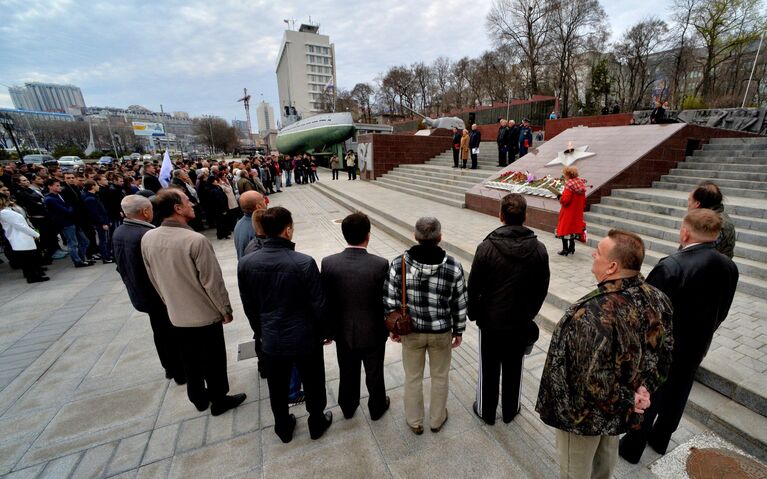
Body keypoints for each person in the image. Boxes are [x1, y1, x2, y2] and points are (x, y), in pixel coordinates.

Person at [536, 230, 674, 479]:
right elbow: (664, 353)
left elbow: (590, 380)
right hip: (617, 414)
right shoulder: (658, 299)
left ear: (612, 266)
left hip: (581, 418)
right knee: (605, 465)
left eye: (598, 251)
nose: (592, 254)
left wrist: (631, 398)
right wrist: (643, 391)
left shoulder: (592, 312)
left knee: (575, 471)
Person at [619, 209, 738, 464]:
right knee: (679, 392)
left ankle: (633, 446)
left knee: (651, 391)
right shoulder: (729, 267)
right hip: (697, 345)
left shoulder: (672, 265)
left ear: (685, 232)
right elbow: (723, 310)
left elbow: (646, 311)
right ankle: (660, 440)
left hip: (665, 347)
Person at [141, 189, 246, 416]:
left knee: (189, 359)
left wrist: (169, 302)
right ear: (177, 208)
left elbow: (154, 279)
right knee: (214, 361)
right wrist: (225, 310)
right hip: (204, 314)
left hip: (176, 314)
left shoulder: (148, 238)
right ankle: (219, 399)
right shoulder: (195, 240)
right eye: (188, 202)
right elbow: (212, 282)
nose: (193, 205)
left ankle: (198, 397)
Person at [238, 207, 333, 443]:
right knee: (313, 382)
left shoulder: (246, 263)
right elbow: (319, 304)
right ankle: (316, 421)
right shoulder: (303, 263)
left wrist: (260, 331)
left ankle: (283, 427)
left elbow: (249, 305)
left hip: (271, 337)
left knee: (276, 386)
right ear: (288, 230)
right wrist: (326, 331)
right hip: (305, 337)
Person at [468, 194, 549, 425]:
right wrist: (529, 313)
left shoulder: (486, 248)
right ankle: (510, 410)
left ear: (500, 215)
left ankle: (487, 411)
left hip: (491, 322)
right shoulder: (539, 249)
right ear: (525, 216)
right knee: (515, 366)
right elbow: (541, 289)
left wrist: (475, 314)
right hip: (520, 321)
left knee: (489, 367)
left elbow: (473, 287)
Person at [384, 217, 467, 435]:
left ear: (415, 236)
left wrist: (394, 330)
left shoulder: (398, 263)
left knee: (413, 377)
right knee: (440, 376)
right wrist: (458, 330)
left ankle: (415, 421)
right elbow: (459, 303)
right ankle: (437, 420)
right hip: (441, 332)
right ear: (440, 237)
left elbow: (390, 301)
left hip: (411, 332)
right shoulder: (453, 266)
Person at [321, 212, 390, 421]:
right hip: (373, 329)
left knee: (347, 371)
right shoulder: (380, 264)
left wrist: (327, 330)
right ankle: (377, 407)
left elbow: (326, 300)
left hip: (343, 331)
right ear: (368, 235)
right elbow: (385, 300)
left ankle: (348, 407)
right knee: (375, 371)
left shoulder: (329, 263)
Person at [112, 195, 185, 383]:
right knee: (170, 333)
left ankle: (170, 367)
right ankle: (178, 370)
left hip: (141, 293)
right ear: (145, 211)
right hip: (156, 295)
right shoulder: (145, 235)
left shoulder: (120, 231)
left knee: (160, 332)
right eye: (151, 209)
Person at [44, 178, 92, 268]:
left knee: (85, 241)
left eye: (59, 185)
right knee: (73, 243)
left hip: (73, 221)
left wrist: (69, 207)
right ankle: (78, 261)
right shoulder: (50, 199)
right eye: (57, 186)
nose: (59, 187)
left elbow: (68, 206)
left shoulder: (60, 195)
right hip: (66, 223)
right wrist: (70, 207)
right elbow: (66, 210)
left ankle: (82, 258)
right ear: (50, 186)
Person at [0, 193, 48, 283]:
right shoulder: (4, 212)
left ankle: (34, 275)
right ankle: (32, 277)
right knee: (28, 259)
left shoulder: (7, 210)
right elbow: (19, 225)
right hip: (19, 237)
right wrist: (35, 234)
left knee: (29, 258)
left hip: (22, 236)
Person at [687, 181, 735, 258]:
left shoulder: (712, 223)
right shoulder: (708, 218)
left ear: (697, 204)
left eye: (689, 200)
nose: (688, 204)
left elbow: (699, 256)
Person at [555, 166, 587, 256]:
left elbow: (565, 200)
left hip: (568, 212)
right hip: (577, 212)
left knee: (564, 229)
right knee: (572, 229)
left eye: (564, 174)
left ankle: (565, 249)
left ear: (568, 175)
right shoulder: (580, 183)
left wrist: (559, 197)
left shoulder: (569, 185)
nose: (564, 176)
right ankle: (572, 247)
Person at [82, 180, 114, 264]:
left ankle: (107, 255)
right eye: (96, 185)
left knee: (104, 239)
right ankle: (105, 257)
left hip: (102, 221)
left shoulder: (93, 196)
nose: (98, 186)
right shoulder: (90, 199)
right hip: (99, 223)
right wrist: (103, 223)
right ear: (92, 186)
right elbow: (95, 213)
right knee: (103, 240)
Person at [233, 191, 266, 260]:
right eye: (263, 199)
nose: (266, 201)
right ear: (258, 206)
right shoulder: (259, 227)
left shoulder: (239, 224)